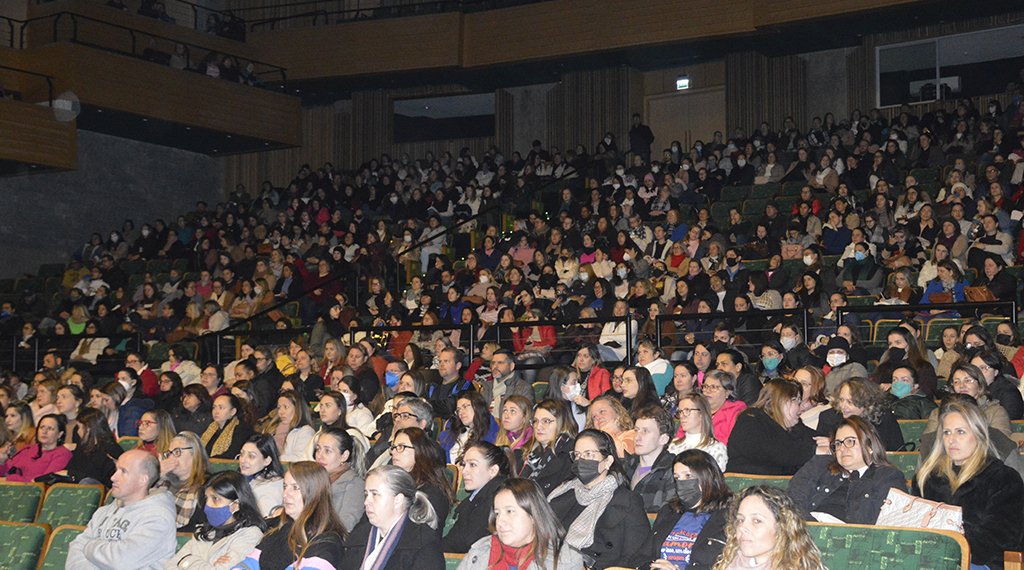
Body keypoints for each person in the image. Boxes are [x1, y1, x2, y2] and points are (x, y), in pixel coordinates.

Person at [913, 400, 1024, 570]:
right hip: (930, 558)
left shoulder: (1003, 478)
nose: (952, 440)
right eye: (947, 432)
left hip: (981, 562)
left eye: (961, 432)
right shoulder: (926, 478)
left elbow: (998, 537)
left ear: (979, 435)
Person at [548, 428, 648, 569]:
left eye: (588, 454)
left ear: (607, 461)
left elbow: (634, 555)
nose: (581, 460)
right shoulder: (562, 494)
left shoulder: (627, 500)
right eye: (577, 455)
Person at [66, 449, 177, 570]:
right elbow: (76, 548)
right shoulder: (103, 512)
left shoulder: (159, 518)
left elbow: (121, 561)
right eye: (116, 469)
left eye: (123, 471)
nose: (113, 477)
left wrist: (89, 546)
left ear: (143, 480)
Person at [789, 416, 907, 524]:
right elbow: (793, 502)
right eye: (838, 443)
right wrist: (814, 527)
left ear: (870, 446)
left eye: (850, 441)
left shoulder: (887, 477)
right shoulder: (819, 465)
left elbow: (876, 526)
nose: (842, 448)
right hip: (804, 530)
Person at [632, 449, 733, 570]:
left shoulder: (727, 515)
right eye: (677, 478)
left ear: (706, 475)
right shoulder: (669, 511)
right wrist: (654, 566)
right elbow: (640, 557)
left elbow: (723, 562)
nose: (682, 483)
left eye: (688, 476)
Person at [237, 461, 345, 570]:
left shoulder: (327, 542)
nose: (285, 494)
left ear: (314, 493)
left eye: (295, 488)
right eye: (285, 486)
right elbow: (249, 563)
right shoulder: (281, 529)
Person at [457, 478, 584, 570]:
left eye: (509, 511)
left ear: (534, 515)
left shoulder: (564, 562)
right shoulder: (480, 551)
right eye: (497, 513)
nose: (500, 521)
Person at [341, 465, 445, 570]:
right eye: (366, 494)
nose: (366, 502)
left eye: (375, 494)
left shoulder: (424, 543)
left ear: (398, 500)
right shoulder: (359, 536)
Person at [168, 470, 268, 569]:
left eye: (215, 499)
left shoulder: (250, 536)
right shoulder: (204, 531)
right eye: (206, 498)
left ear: (235, 505)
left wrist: (187, 560)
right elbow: (170, 566)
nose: (208, 504)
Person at [711, 485, 824, 570]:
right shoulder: (729, 563)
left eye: (757, 521)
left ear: (782, 528)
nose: (742, 527)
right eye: (740, 520)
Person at [727, 379, 819, 475]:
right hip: (749, 485)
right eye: (796, 401)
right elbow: (780, 452)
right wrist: (814, 450)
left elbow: (813, 436)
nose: (799, 407)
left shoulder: (794, 426)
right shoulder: (750, 419)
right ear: (780, 401)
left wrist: (829, 444)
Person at [442, 441, 510, 553]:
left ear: (493, 471)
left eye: (472, 465)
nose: (464, 471)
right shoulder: (480, 497)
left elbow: (466, 545)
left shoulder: (494, 500)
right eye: (464, 464)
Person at [390, 426, 454, 529]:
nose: (393, 452)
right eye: (393, 447)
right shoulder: (394, 482)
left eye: (401, 447)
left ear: (419, 450)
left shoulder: (432, 492)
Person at [817, 377, 905, 451]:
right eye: (841, 400)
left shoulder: (883, 418)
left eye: (849, 402)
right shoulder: (828, 418)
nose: (843, 406)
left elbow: (897, 451)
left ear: (866, 403)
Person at [623, 405, 677, 512]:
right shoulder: (625, 466)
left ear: (663, 439)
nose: (637, 437)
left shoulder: (673, 471)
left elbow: (669, 515)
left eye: (645, 431)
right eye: (636, 430)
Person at [518, 399, 576, 494]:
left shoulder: (570, 455)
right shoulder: (532, 452)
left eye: (546, 421)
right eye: (535, 421)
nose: (538, 426)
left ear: (562, 423)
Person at [314, 426, 366, 533]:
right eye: (318, 449)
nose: (320, 456)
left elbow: (346, 525)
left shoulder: (354, 484)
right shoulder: (314, 478)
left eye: (327, 451)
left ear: (344, 456)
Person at [158, 431, 210, 531]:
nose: (171, 458)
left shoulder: (207, 487)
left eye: (177, 452)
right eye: (169, 453)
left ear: (194, 454)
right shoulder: (162, 482)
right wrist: (156, 475)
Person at [0, 413, 71, 482]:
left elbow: (45, 480)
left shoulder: (62, 454)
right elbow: (5, 472)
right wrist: (2, 461)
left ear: (60, 434)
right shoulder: (28, 450)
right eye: (42, 427)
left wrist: (11, 479)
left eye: (50, 428)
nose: (44, 431)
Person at [668, 393, 729, 471]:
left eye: (687, 410)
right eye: (680, 411)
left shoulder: (716, 448)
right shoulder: (673, 444)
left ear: (701, 414)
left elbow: (715, 481)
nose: (682, 416)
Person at [63, 408, 123, 486]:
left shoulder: (110, 450)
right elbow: (71, 468)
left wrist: (72, 474)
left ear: (88, 429)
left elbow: (102, 478)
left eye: (80, 427)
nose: (77, 431)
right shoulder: (83, 447)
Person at [439, 390, 499, 464]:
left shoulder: (490, 432)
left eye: (465, 407)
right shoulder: (451, 434)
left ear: (477, 406)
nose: (461, 412)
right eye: (458, 410)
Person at [256, 390, 315, 463]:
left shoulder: (305, 431)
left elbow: (301, 458)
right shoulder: (270, 427)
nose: (281, 412)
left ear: (297, 408)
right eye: (279, 407)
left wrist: (273, 460)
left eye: (286, 407)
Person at [237, 434, 285, 518]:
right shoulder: (243, 479)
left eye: (251, 456)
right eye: (241, 454)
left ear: (267, 461)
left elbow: (265, 523)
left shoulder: (272, 488)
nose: (243, 460)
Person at [201, 394, 255, 460]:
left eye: (221, 408)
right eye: (214, 407)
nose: (216, 411)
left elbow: (232, 454)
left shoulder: (242, 429)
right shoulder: (211, 428)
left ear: (233, 412)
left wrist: (207, 461)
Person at [700, 370, 747, 445]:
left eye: (713, 387)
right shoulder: (695, 409)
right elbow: (680, 436)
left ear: (727, 392)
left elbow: (732, 442)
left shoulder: (735, 411)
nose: (707, 391)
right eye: (705, 386)